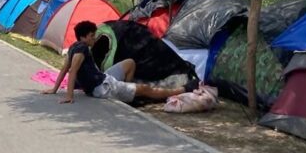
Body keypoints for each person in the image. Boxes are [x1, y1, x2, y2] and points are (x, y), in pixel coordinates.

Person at [43, 21, 199, 104]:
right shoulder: (81, 49)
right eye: (91, 36)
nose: (94, 38)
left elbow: (64, 69)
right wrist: (69, 96)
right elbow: (72, 71)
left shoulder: (73, 47)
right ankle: (182, 89)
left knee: (129, 62)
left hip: (103, 78)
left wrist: (54, 89)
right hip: (102, 87)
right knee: (145, 89)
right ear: (83, 37)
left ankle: (128, 92)